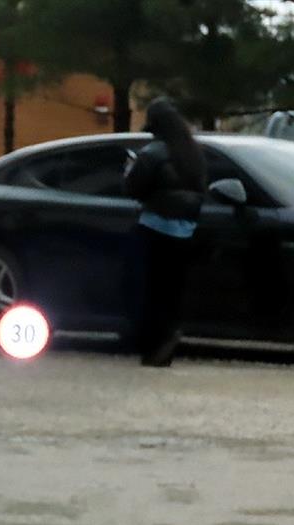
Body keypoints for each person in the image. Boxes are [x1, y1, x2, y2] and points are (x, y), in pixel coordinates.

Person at [124, 98, 207, 367]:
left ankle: (153, 344)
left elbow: (134, 188)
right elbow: (201, 189)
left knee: (151, 289)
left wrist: (129, 170)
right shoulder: (193, 153)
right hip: (185, 230)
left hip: (154, 226)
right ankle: (169, 334)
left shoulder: (152, 153)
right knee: (172, 290)